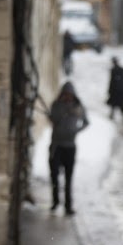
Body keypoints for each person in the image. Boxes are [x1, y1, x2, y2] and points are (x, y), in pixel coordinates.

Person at [48, 82, 89, 216]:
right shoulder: (56, 106)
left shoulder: (78, 107)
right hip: (56, 146)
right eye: (66, 95)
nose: (68, 97)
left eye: (70, 95)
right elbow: (52, 118)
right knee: (54, 175)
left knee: (68, 178)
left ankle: (68, 205)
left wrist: (76, 130)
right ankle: (55, 202)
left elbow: (86, 122)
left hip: (70, 146)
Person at [107, 57, 123, 124]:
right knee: (122, 105)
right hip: (122, 92)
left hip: (116, 92)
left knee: (115, 105)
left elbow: (112, 82)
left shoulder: (114, 70)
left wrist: (109, 91)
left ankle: (114, 116)